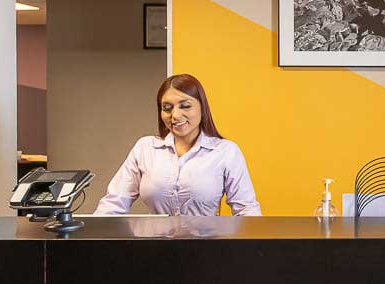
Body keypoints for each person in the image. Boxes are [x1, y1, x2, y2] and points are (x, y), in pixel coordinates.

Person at [94, 74, 261, 216]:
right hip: (154, 243)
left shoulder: (225, 151)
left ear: (202, 107)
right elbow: (114, 203)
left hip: (207, 243)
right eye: (167, 108)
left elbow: (246, 210)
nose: (175, 115)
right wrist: (93, 234)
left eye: (185, 106)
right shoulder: (145, 148)